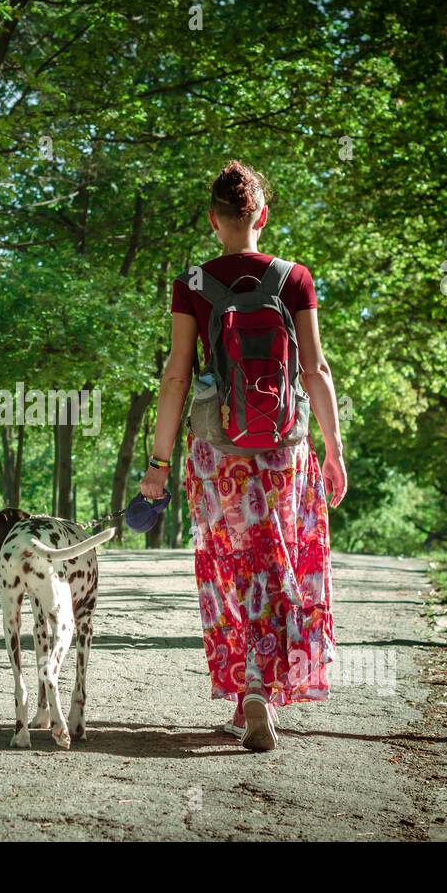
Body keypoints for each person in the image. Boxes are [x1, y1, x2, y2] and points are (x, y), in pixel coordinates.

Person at [139, 160, 346, 751]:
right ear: (262, 215)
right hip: (285, 447)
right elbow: (315, 369)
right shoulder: (294, 278)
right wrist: (333, 449)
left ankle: (247, 686)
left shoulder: (193, 285)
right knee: (275, 560)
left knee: (230, 567)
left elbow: (177, 377)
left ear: (214, 221)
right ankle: (262, 687)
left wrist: (158, 463)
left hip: (214, 450)